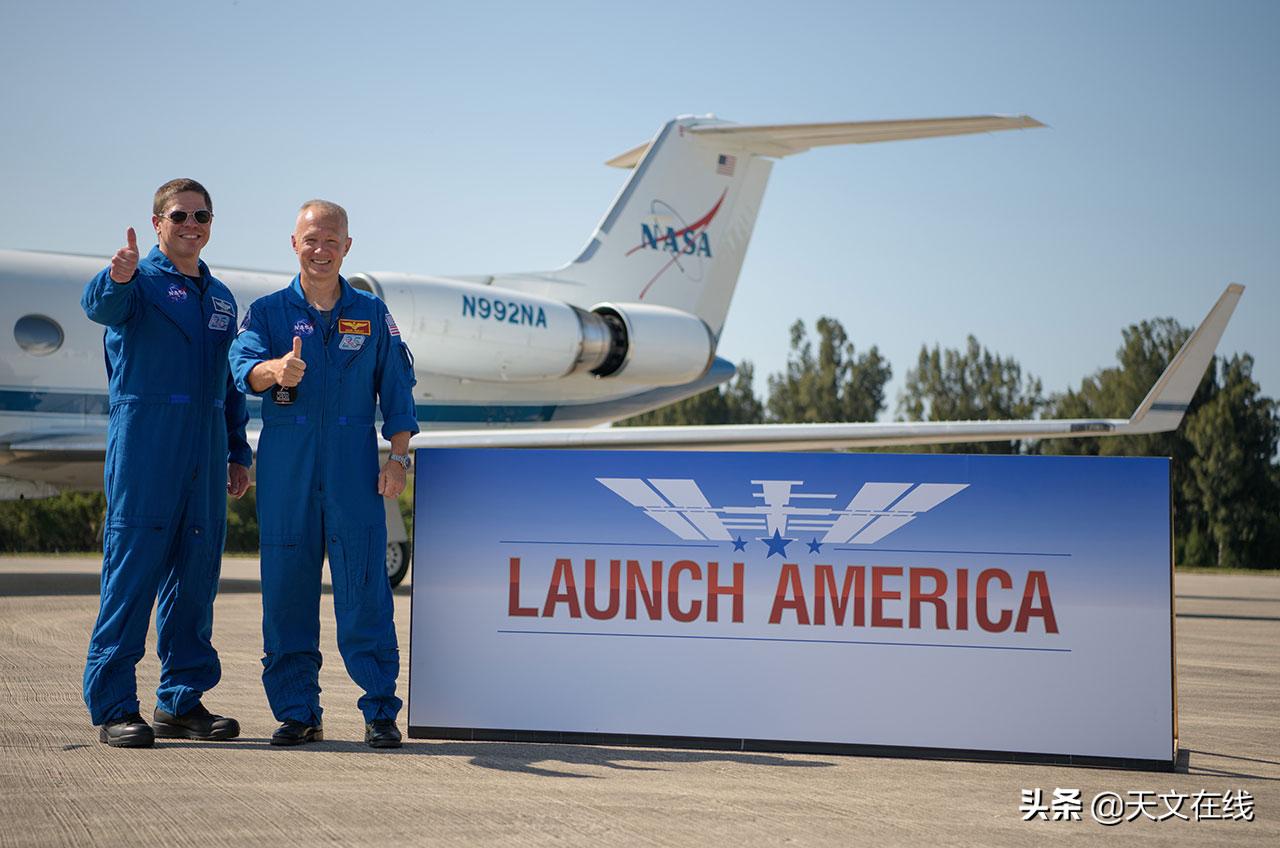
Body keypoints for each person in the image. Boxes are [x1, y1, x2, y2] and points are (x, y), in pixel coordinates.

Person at [229, 200, 418, 748]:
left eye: (331, 240)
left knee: (364, 588)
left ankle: (379, 710)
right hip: (287, 468)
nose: (320, 249)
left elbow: (398, 391)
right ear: (294, 244)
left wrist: (399, 458)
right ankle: (297, 712)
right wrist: (274, 370)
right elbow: (241, 369)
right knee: (286, 590)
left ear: (347, 247)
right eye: (311, 239)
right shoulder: (267, 312)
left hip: (353, 466)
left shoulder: (371, 313)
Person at [81, 179, 252, 748]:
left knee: (195, 575)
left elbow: (230, 385)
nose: (192, 225)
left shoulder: (223, 298)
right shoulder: (137, 283)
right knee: (132, 573)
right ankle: (112, 705)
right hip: (146, 444)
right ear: (158, 222)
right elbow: (99, 306)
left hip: (205, 445)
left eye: (202, 216)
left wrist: (237, 449)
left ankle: (181, 701)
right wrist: (118, 274)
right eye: (180, 215)